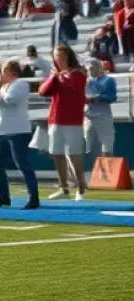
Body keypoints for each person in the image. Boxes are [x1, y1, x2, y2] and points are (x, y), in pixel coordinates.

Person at [0, 59, 40, 209]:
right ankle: (4, 196)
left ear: (13, 72)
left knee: (22, 163)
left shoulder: (20, 84)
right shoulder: (0, 87)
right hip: (2, 131)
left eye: (3, 71)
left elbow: (11, 100)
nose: (0, 74)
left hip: (18, 130)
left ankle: (33, 197)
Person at [38, 43, 88, 201]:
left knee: (74, 154)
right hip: (55, 119)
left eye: (59, 56)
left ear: (67, 56)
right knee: (57, 153)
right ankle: (63, 187)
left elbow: (74, 90)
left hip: (72, 120)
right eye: (55, 56)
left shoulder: (78, 74)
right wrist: (54, 77)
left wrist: (62, 77)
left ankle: (81, 186)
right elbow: (43, 92)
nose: (57, 59)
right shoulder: (55, 75)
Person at [84, 58, 117, 166]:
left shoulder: (109, 80)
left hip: (104, 116)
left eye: (93, 67)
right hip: (88, 117)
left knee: (107, 144)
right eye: (89, 68)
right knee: (88, 146)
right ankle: (96, 172)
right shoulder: (85, 81)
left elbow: (112, 97)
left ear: (100, 68)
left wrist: (98, 97)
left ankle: (108, 172)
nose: (90, 70)